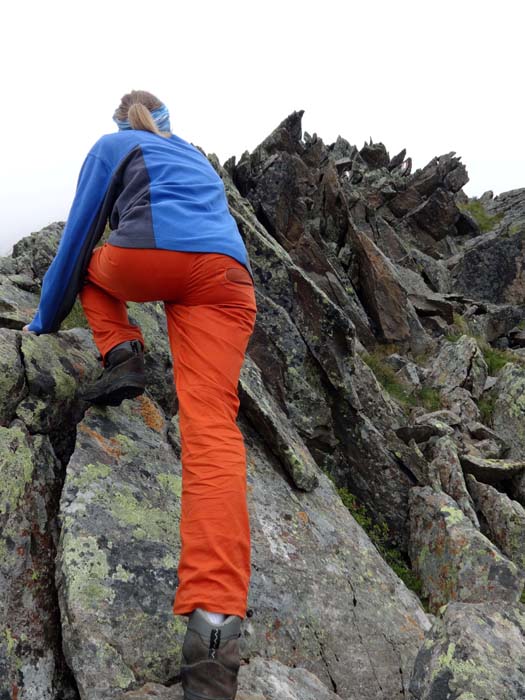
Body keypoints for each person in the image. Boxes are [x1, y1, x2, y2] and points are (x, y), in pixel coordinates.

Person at [24, 90, 257, 700]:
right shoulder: (198, 158)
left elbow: (77, 240)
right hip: (229, 278)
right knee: (213, 435)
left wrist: (43, 321)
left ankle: (123, 354)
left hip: (149, 256)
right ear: (171, 122)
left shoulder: (114, 144)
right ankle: (213, 641)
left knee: (93, 270)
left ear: (121, 118)